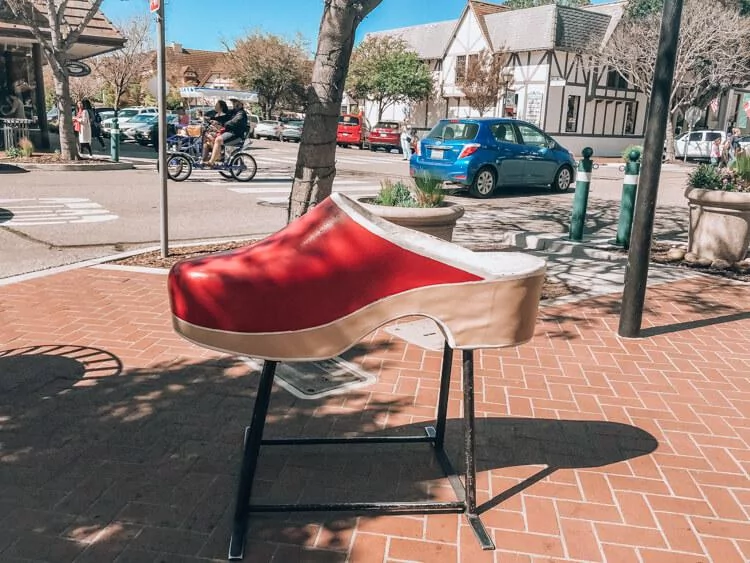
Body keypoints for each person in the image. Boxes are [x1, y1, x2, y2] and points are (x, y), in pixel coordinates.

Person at [207, 98, 248, 166]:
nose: (233, 104)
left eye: (235, 103)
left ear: (240, 104)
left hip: (236, 135)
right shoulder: (234, 112)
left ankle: (211, 161)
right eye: (233, 103)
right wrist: (213, 119)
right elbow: (225, 117)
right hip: (230, 133)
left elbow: (234, 122)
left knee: (218, 140)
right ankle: (218, 156)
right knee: (212, 137)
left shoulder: (241, 113)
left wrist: (223, 124)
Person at [201, 100, 230, 164]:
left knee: (209, 136)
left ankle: (218, 155)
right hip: (214, 132)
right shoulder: (215, 114)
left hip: (221, 133)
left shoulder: (225, 116)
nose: (215, 106)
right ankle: (204, 159)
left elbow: (223, 126)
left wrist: (216, 125)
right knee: (206, 143)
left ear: (221, 107)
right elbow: (209, 120)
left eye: (217, 105)